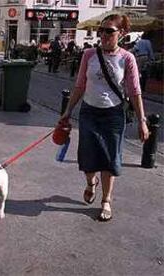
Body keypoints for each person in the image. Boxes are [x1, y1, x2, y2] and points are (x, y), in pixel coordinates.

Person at [59, 14, 149, 221]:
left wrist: (142, 121)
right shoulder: (89, 54)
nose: (104, 34)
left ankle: (106, 200)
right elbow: (80, 85)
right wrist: (67, 111)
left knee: (110, 158)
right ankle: (91, 182)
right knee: (88, 156)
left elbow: (135, 92)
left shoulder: (127, 58)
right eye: (102, 30)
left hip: (113, 114)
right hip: (89, 112)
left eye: (109, 31)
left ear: (122, 34)